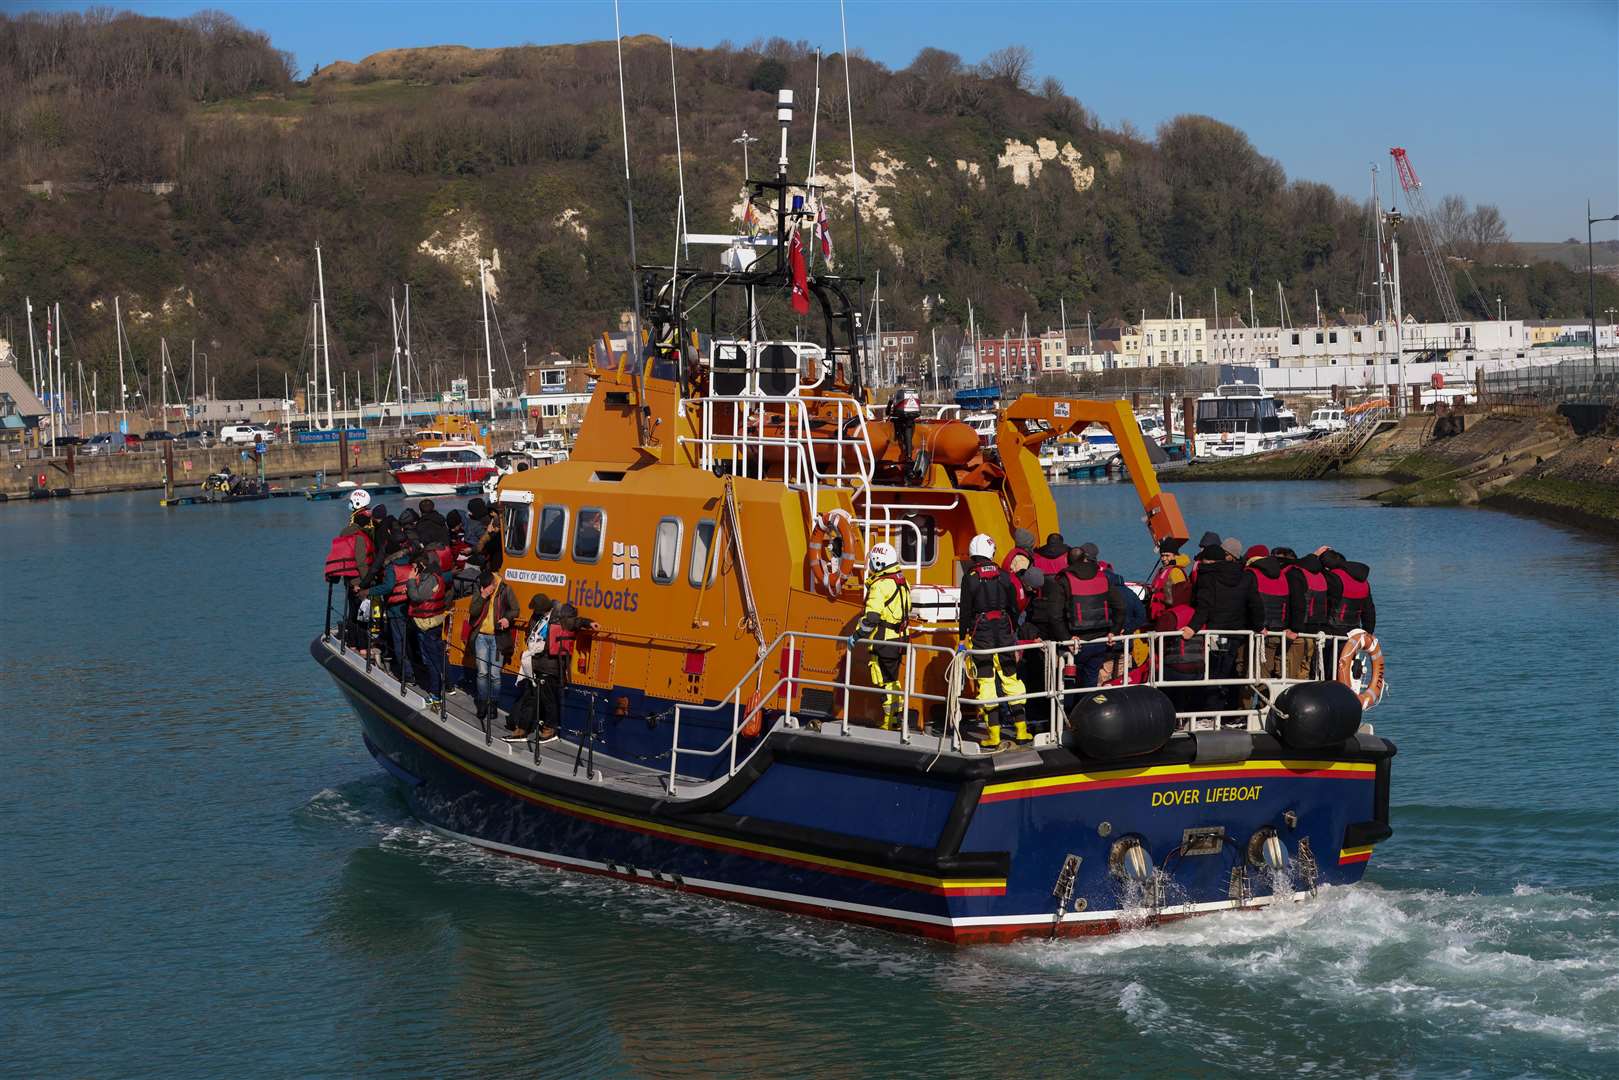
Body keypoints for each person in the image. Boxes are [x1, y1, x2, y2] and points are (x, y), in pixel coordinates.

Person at [958, 533, 1030, 750]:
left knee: (987, 682)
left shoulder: (970, 577)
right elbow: (1014, 607)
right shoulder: (1004, 575)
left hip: (982, 634)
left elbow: (966, 611)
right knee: (1011, 679)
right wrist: (1012, 629)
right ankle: (1022, 730)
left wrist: (963, 638)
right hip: (1004, 630)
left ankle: (994, 735)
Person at [1182, 536, 1264, 707]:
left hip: (1215, 631)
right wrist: (1259, 626)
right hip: (1237, 632)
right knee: (1230, 669)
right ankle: (1231, 707)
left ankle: (1210, 710)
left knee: (1213, 670)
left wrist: (1192, 627)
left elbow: (1204, 605)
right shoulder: (1247, 576)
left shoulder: (1208, 577)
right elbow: (1255, 604)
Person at [512, 597, 595, 742]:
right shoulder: (538, 618)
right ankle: (522, 728)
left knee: (548, 699)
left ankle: (550, 729)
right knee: (529, 697)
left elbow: (575, 622)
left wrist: (588, 623)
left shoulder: (559, 617)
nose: (536, 612)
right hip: (534, 662)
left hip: (550, 665)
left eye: (538, 610)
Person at [855, 542, 911, 731]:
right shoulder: (902, 581)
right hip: (900, 638)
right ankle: (896, 719)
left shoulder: (879, 586)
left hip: (884, 640)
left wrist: (857, 635)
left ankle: (888, 722)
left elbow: (871, 617)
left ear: (878, 563)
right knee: (893, 679)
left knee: (886, 681)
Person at [1062, 543, 1127, 687]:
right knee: (1090, 678)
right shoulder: (1103, 579)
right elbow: (1121, 607)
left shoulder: (1064, 580)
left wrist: (1065, 637)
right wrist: (1114, 631)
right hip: (1099, 640)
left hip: (1075, 641)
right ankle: (1085, 705)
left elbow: (1055, 614)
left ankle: (1068, 707)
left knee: (1069, 681)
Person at [462, 570, 519, 724]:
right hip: (481, 636)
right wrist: (483, 596)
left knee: (495, 675)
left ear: (494, 583)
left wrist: (507, 618)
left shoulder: (506, 589)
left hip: (498, 638)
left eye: (490, 587)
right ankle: (482, 704)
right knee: (482, 672)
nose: (488, 588)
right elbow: (473, 611)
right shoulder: (481, 589)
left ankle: (493, 705)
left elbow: (515, 609)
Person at [324, 489, 378, 646]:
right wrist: (367, 580)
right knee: (362, 611)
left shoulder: (348, 530)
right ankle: (362, 644)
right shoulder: (364, 531)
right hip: (360, 577)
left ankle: (355, 641)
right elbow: (362, 559)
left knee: (355, 611)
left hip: (350, 576)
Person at [368, 532, 418, 686]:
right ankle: (414, 670)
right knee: (408, 640)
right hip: (410, 606)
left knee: (399, 642)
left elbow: (388, 586)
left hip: (395, 610)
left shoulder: (391, 567)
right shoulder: (411, 562)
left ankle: (407, 675)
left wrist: (369, 591)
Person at [406, 550, 454, 704]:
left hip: (429, 624)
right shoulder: (434, 576)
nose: (413, 570)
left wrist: (411, 582)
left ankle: (435, 695)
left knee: (432, 661)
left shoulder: (431, 579)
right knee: (437, 657)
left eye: (414, 567)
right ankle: (444, 686)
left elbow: (417, 596)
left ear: (420, 564)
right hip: (432, 622)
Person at [1243, 544, 1295, 679]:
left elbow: (1252, 603)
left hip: (1259, 632)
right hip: (1280, 631)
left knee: (1254, 676)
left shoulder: (1251, 574)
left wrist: (1258, 625)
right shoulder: (1283, 576)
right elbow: (1290, 604)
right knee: (1272, 674)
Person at [1279, 546, 1331, 678]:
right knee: (1305, 669)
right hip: (1316, 630)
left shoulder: (1294, 574)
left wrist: (1295, 628)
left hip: (1298, 631)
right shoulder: (1321, 575)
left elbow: (1297, 603)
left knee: (1289, 670)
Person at [886, 383, 921, 466]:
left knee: (906, 429)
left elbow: (888, 412)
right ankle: (908, 455)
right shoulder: (912, 402)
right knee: (908, 429)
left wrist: (890, 404)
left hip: (902, 421)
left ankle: (908, 456)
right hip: (910, 421)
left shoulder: (896, 400)